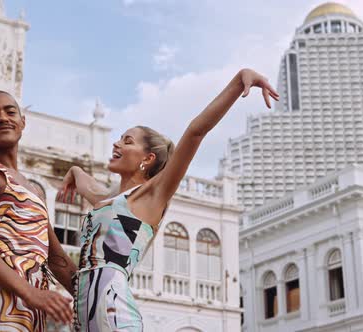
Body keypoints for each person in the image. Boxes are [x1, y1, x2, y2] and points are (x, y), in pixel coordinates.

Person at [58, 68, 279, 331]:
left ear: (147, 158)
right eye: (118, 139)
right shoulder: (106, 199)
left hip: (115, 315)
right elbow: (84, 183)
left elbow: (195, 132)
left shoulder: (152, 194)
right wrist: (74, 171)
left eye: (127, 141)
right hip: (84, 317)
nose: (116, 144)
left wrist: (239, 80)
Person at [0, 90, 76, 331]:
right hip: (3, 308)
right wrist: (31, 293)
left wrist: (98, 296)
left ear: (23, 123)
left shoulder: (35, 190)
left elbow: (56, 259)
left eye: (10, 112)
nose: (2, 118)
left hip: (36, 312)